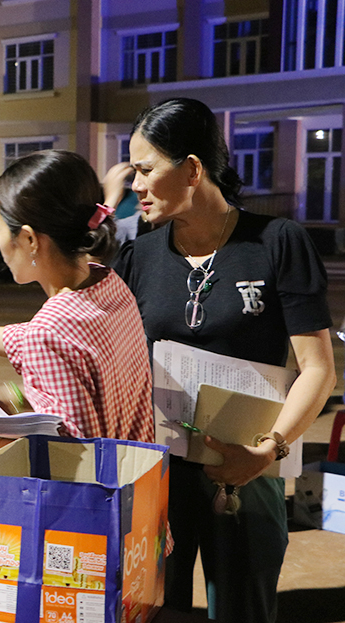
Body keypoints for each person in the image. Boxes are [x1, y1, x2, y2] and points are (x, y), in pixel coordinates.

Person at [112, 98, 336, 623]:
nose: (135, 186)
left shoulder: (277, 243)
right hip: (157, 473)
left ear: (192, 169)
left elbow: (319, 369)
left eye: (146, 170)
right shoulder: (139, 257)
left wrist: (266, 452)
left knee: (241, 609)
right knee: (150, 608)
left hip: (244, 474)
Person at [0, 150, 154, 456]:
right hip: (140, 482)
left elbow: (70, 456)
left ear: (29, 239)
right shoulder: (108, 283)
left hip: (85, 500)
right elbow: (56, 352)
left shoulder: (48, 332)